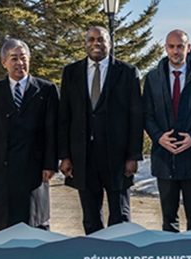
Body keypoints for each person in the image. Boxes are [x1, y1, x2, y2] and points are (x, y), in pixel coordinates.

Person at [59, 26, 143, 234]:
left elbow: (136, 117)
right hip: (83, 157)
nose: (96, 43)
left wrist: (133, 155)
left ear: (110, 43)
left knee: (120, 218)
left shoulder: (127, 73)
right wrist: (64, 155)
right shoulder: (71, 73)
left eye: (101, 40)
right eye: (91, 39)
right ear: (85, 43)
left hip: (117, 158)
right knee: (90, 218)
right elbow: (64, 117)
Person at [0, 38, 59, 231]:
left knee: (35, 222)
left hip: (35, 166)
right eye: (14, 58)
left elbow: (52, 130)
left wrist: (50, 163)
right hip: (3, 167)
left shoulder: (46, 90)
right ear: (4, 62)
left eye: (23, 57)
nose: (19, 63)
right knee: (6, 225)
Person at [143, 30, 191, 232]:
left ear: (188, 48)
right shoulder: (153, 78)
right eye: (171, 46)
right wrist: (158, 138)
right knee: (169, 221)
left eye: (180, 46)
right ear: (165, 48)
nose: (175, 51)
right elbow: (146, 114)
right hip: (164, 158)